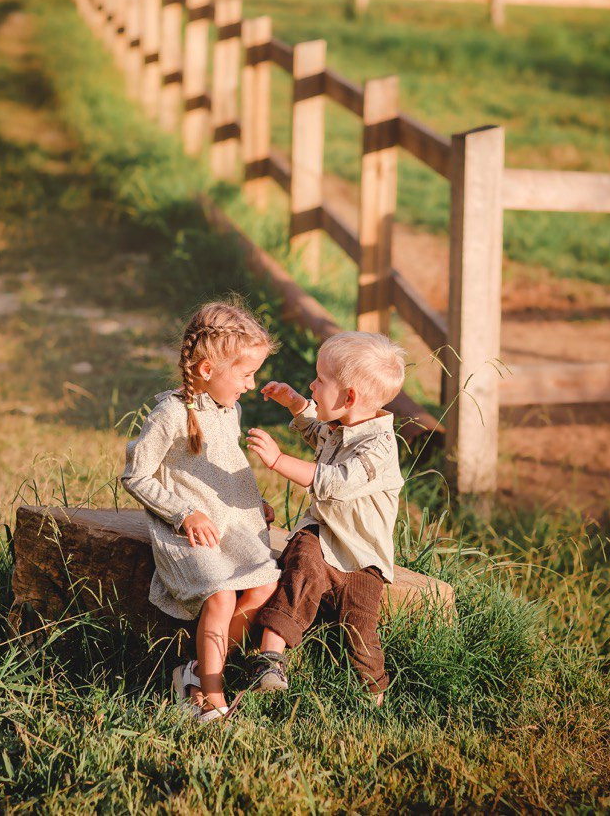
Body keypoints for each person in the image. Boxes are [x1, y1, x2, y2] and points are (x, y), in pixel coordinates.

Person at [121, 301, 282, 723]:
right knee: (222, 594)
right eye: (245, 374)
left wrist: (250, 498)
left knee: (265, 585)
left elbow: (226, 467)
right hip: (188, 532)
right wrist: (184, 513)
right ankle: (209, 695)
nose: (251, 385)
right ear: (208, 370)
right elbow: (135, 476)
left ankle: (194, 671)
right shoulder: (170, 414)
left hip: (230, 525)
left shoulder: (230, 408)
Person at [244, 331, 407, 705]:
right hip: (322, 535)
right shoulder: (344, 425)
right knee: (299, 570)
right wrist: (297, 404)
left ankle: (373, 695)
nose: (312, 385)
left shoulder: (379, 447)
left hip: (361, 557)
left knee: (360, 628)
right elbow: (318, 432)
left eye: (319, 380)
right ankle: (270, 659)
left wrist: (277, 461)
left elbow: (333, 482)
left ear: (349, 397)